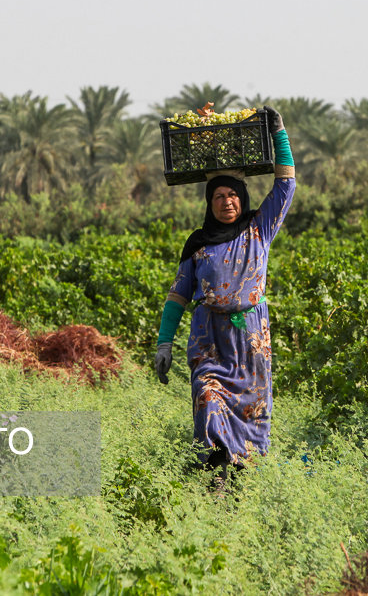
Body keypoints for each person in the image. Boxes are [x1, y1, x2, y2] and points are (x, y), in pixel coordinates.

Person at [153, 106, 295, 486]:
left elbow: (285, 187)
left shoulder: (259, 230)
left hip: (250, 340)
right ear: (208, 202)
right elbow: (178, 296)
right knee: (208, 397)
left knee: (251, 412)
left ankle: (240, 480)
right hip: (209, 340)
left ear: (242, 197)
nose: (227, 202)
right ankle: (212, 474)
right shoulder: (198, 244)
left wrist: (279, 135)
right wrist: (164, 344)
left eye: (233, 195)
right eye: (218, 196)